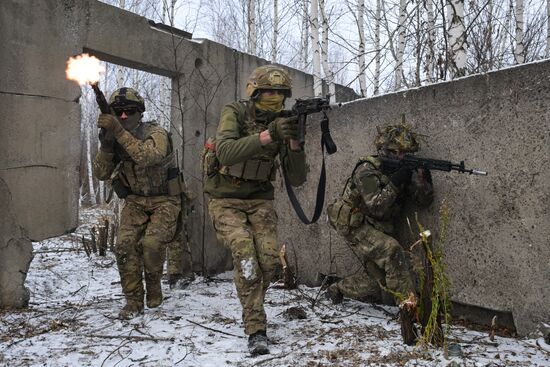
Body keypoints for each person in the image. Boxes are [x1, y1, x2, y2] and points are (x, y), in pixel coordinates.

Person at [204, 65, 307, 355]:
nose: (274, 97)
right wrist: (268, 134)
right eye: (268, 91)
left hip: (260, 198)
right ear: (255, 92)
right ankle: (256, 328)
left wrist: (294, 142)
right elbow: (225, 151)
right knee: (246, 255)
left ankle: (253, 306)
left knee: (270, 262)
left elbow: (298, 178)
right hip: (225, 197)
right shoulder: (235, 111)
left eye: (280, 93)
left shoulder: (284, 121)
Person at [326, 123, 433, 344]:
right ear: (384, 150)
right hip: (355, 224)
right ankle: (410, 313)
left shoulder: (402, 170)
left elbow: (423, 202)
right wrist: (397, 180)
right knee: (392, 250)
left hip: (377, 226)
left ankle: (337, 288)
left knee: (376, 283)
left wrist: (423, 182)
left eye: (405, 153)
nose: (401, 157)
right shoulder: (367, 169)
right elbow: (376, 205)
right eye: (395, 152)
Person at [93, 87, 186, 319]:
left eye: (129, 111)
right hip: (135, 200)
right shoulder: (114, 137)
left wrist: (117, 130)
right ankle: (133, 301)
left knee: (153, 244)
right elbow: (101, 173)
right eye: (118, 112)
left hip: (165, 199)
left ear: (140, 112)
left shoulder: (156, 132)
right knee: (124, 246)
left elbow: (147, 157)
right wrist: (106, 145)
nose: (123, 117)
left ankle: (154, 285)